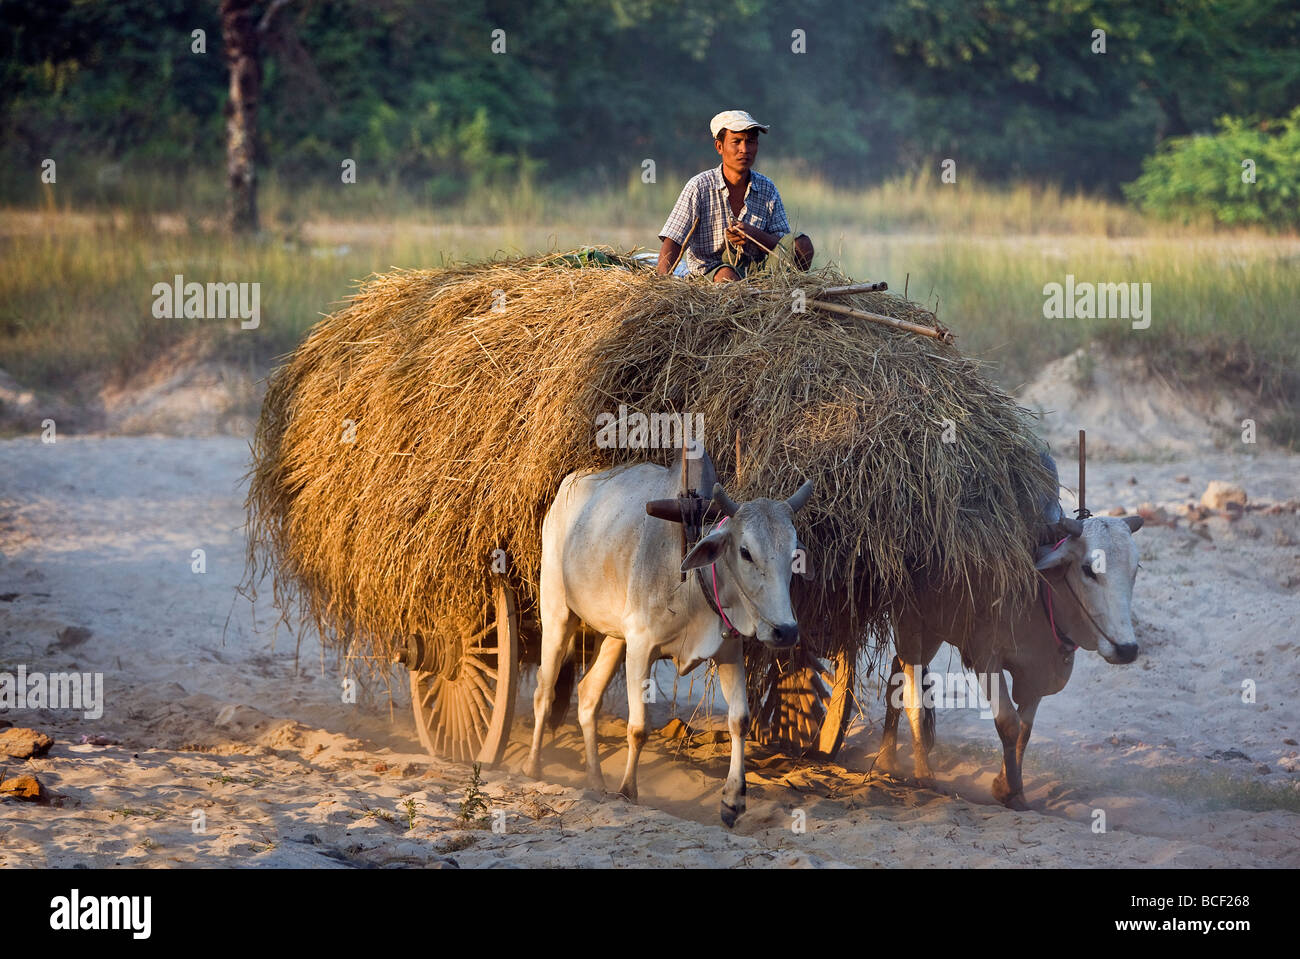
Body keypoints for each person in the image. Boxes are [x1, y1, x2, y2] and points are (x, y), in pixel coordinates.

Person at [656, 110, 814, 282]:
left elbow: (783, 243)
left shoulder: (767, 188)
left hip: (757, 272)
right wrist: (661, 284)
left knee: (802, 245)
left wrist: (754, 236)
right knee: (728, 278)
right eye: (736, 142)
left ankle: (786, 290)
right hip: (710, 273)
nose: (744, 150)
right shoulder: (699, 187)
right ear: (719, 146)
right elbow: (674, 241)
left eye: (751, 142)